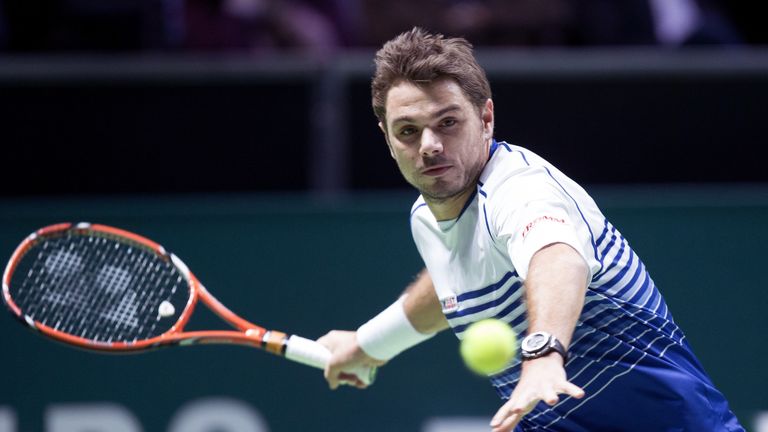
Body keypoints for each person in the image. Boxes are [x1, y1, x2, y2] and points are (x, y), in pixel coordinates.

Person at [317, 27, 744, 431]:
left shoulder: (521, 189)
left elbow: (557, 258)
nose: (429, 145)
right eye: (408, 131)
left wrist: (543, 352)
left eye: (448, 122)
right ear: (388, 139)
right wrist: (369, 344)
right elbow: (454, 282)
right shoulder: (426, 219)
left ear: (486, 118)